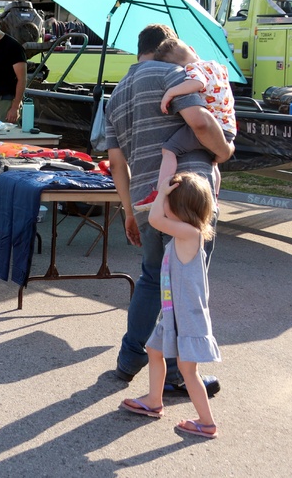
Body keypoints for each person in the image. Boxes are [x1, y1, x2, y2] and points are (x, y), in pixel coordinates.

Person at [104, 23, 233, 397]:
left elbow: (116, 164)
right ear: (166, 47)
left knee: (150, 279)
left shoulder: (115, 96)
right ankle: (179, 373)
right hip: (188, 194)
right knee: (186, 285)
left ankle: (128, 360)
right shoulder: (175, 73)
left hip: (147, 201)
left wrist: (129, 212)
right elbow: (199, 121)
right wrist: (224, 152)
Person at [119, 172, 221, 440]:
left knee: (189, 372)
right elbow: (157, 218)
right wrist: (164, 194)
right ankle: (154, 400)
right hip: (174, 314)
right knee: (154, 349)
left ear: (178, 207)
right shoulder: (184, 234)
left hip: (187, 317)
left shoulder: (189, 234)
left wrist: (163, 190)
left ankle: (207, 422)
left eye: (166, 201)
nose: (161, 204)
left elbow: (153, 220)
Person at [134, 38, 237, 210]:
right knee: (213, 163)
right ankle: (215, 199)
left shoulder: (192, 69)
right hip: (228, 128)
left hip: (212, 126)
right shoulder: (216, 66)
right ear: (192, 49)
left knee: (169, 150)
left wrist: (170, 92)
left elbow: (198, 83)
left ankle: (159, 193)